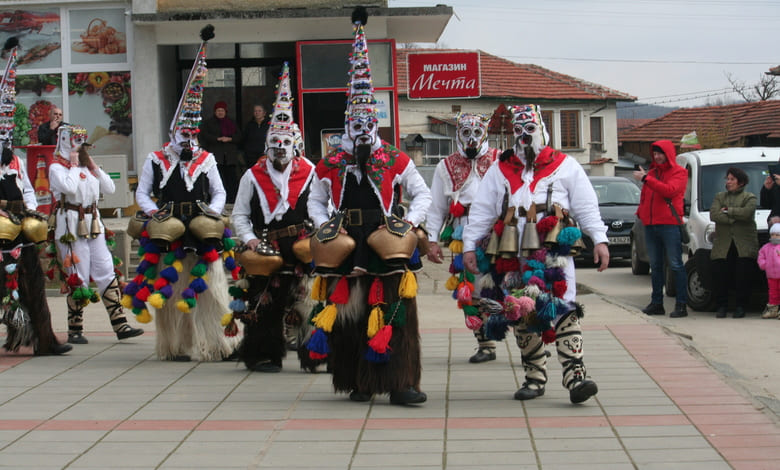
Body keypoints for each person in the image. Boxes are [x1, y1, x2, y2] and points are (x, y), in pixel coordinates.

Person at [307, 8, 432, 405]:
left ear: (375, 120)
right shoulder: (330, 162)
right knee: (349, 310)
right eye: (355, 121)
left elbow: (422, 194)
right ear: (347, 122)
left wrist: (409, 223)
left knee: (395, 307)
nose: (362, 128)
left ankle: (401, 382)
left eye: (367, 121)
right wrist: (324, 227)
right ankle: (357, 380)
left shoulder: (395, 158)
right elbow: (314, 199)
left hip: (386, 239)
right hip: (345, 239)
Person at [462, 104, 607, 404]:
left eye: (530, 130)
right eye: (518, 130)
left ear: (542, 131)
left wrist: (601, 240)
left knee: (563, 308)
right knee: (519, 309)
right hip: (511, 251)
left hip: (553, 250)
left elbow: (586, 205)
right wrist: (468, 246)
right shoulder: (500, 169)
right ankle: (535, 376)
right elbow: (482, 212)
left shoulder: (565, 165)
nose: (524, 136)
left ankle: (575, 376)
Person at [128, 25, 238, 362]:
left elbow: (219, 191)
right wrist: (154, 213)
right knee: (171, 283)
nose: (188, 138)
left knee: (214, 285)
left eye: (193, 132)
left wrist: (213, 213)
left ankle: (219, 344)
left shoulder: (206, 159)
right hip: (170, 225)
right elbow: (143, 193)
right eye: (183, 131)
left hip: (202, 226)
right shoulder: (155, 158)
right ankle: (174, 345)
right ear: (174, 130)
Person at [230, 63, 321, 373]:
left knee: (309, 299)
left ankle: (316, 354)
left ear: (294, 145)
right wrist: (251, 241)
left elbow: (325, 207)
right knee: (264, 301)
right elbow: (239, 215)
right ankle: (265, 354)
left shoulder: (311, 172)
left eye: (285, 144)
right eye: (274, 144)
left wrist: (320, 235)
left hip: (302, 243)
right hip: (266, 244)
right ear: (266, 144)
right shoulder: (251, 176)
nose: (279, 149)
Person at [0, 37, 71, 355]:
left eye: (6, 134)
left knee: (34, 282)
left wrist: (29, 211)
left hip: (18, 227)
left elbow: (28, 187)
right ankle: (15, 332)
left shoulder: (13, 159)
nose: (5, 139)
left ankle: (44, 339)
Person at [48, 124, 144, 344]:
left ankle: (120, 324)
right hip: (71, 225)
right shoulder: (57, 168)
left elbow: (110, 188)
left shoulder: (85, 166)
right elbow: (70, 189)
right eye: (76, 141)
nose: (81, 146)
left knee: (106, 269)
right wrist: (73, 165)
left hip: (93, 222)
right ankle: (75, 328)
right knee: (77, 274)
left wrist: (92, 166)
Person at [425, 112, 500, 363]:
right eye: (466, 132)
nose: (471, 138)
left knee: (507, 282)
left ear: (486, 132)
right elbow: (436, 207)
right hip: (463, 227)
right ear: (458, 134)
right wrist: (432, 240)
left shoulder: (500, 160)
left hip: (498, 229)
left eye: (477, 132)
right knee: (472, 286)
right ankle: (485, 342)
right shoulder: (445, 166)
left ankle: (524, 340)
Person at [632, 140, 688, 318]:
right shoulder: (653, 173)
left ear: (668, 154)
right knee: (655, 266)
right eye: (655, 153)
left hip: (670, 224)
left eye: (660, 153)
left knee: (675, 264)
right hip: (651, 224)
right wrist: (641, 212)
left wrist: (646, 179)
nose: (657, 157)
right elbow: (645, 196)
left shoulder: (679, 172)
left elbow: (669, 191)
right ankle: (657, 303)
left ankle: (681, 304)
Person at [709, 167, 757, 318]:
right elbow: (714, 214)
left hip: (743, 244)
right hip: (723, 244)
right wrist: (734, 216)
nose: (728, 182)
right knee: (721, 276)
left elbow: (747, 214)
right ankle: (721, 306)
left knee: (742, 277)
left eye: (732, 179)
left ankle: (740, 306)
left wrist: (728, 211)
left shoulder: (749, 197)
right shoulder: (719, 196)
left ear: (740, 182)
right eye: (727, 179)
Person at [200, 101, 243, 204]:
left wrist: (230, 139)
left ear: (225, 111)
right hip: (216, 156)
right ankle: (217, 201)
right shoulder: (208, 123)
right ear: (215, 112)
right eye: (218, 111)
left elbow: (239, 137)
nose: (220, 113)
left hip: (230, 157)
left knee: (231, 180)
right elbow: (204, 136)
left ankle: (232, 200)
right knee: (217, 180)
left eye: (222, 110)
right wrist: (217, 139)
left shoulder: (231, 122)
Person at [758, 223, 780, 319]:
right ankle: (773, 310)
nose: (774, 236)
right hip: (771, 275)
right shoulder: (766, 247)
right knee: (773, 293)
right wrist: (764, 264)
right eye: (772, 234)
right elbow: (761, 257)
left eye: (777, 235)